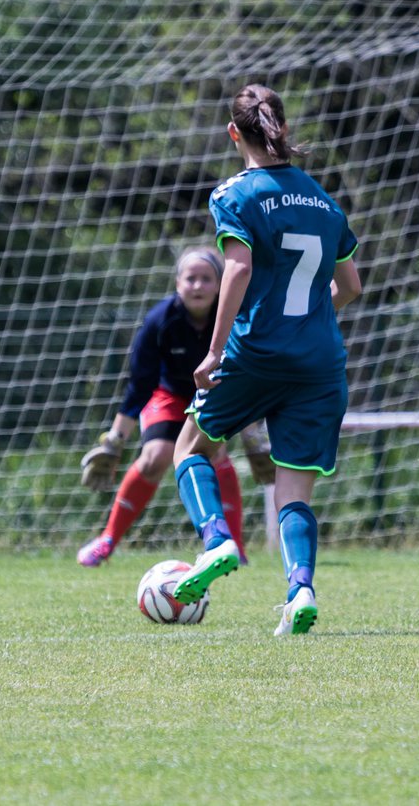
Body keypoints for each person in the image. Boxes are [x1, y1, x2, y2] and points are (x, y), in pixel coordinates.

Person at [169, 83, 362, 636]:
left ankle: (216, 540)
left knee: (191, 447)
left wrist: (212, 351)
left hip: (256, 353)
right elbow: (350, 283)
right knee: (292, 485)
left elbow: (239, 269)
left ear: (235, 133)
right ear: (280, 125)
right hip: (320, 362)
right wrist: (307, 320)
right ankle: (300, 590)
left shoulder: (236, 194)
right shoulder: (325, 201)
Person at [76, 247, 276, 567]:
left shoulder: (235, 317)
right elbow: (140, 385)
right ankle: (108, 540)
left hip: (216, 395)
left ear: (221, 283)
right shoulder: (159, 321)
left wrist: (252, 434)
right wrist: (115, 440)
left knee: (215, 453)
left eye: (206, 278)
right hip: (170, 397)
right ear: (177, 283)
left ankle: (233, 546)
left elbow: (246, 375)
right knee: (155, 457)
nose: (197, 285)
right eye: (190, 278)